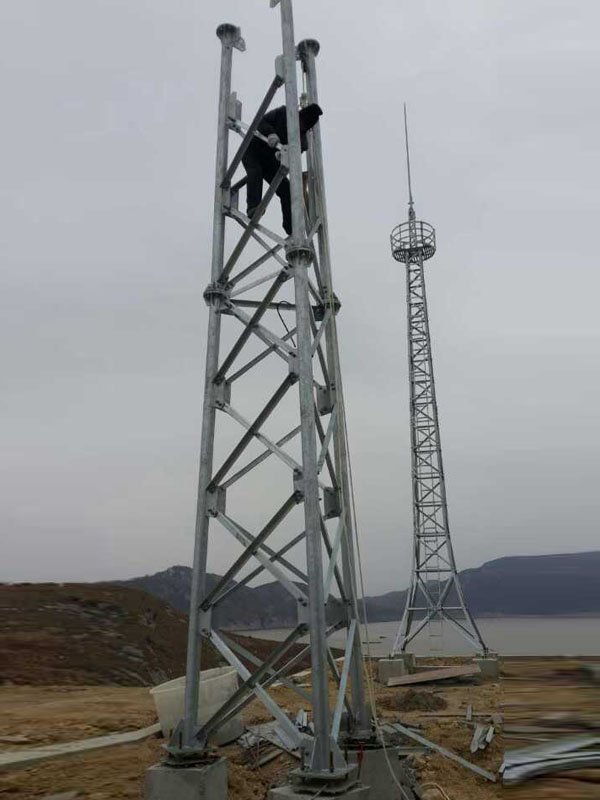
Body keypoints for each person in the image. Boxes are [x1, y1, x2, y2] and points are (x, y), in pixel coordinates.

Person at [242, 103, 323, 236]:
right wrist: (271, 133)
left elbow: (295, 154)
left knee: (286, 190)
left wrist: (286, 154)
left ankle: (291, 228)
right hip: (253, 152)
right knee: (255, 173)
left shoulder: (302, 141)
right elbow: (262, 121)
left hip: (271, 162)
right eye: (300, 123)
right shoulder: (284, 112)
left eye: (303, 127)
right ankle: (253, 207)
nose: (300, 128)